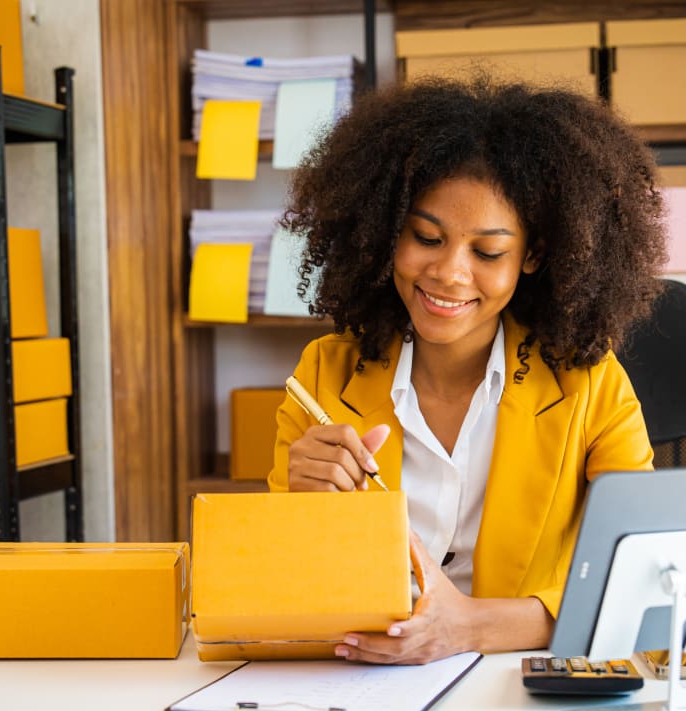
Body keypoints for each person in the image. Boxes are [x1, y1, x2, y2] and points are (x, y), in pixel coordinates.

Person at [266, 77, 664, 665]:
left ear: (532, 255)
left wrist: (468, 628)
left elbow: (639, 571)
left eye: (487, 252)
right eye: (427, 237)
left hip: (518, 675)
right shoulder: (325, 374)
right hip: (365, 675)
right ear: (387, 232)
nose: (450, 273)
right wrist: (300, 504)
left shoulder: (589, 385)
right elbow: (278, 581)